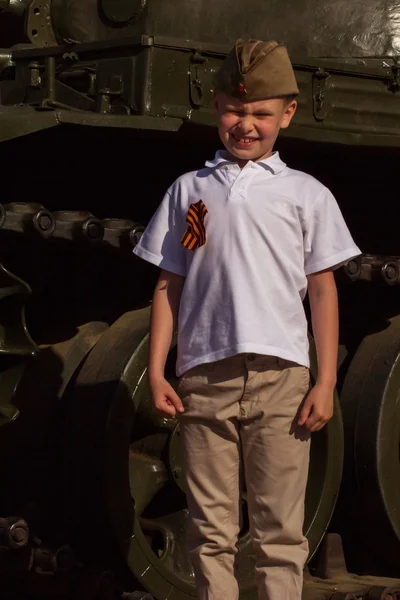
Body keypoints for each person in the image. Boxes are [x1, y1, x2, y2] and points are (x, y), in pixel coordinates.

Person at [133, 39, 361, 600]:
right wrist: (159, 370)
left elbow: (322, 290)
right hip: (205, 377)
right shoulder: (193, 194)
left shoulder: (304, 194)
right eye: (236, 111)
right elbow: (171, 282)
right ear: (216, 106)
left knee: (279, 532)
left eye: (261, 113)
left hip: (281, 377)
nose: (246, 124)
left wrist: (326, 380)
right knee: (209, 531)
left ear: (286, 113)